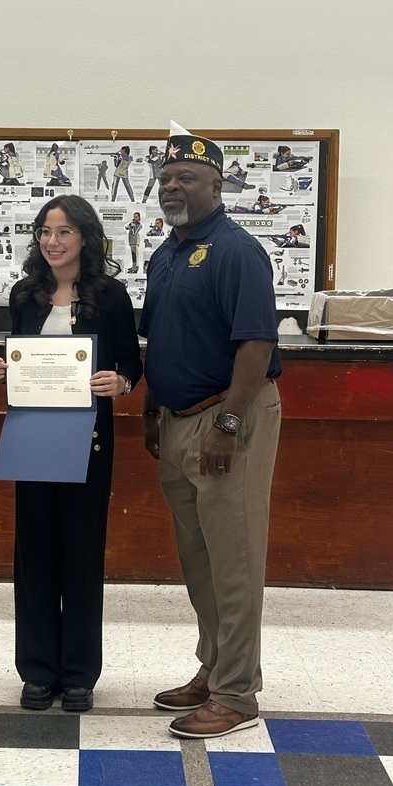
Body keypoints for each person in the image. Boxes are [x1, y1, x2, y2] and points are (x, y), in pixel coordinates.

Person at [139, 130, 282, 739]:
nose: (173, 186)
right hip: (176, 419)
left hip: (228, 418)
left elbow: (256, 341)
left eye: (187, 178)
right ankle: (214, 666)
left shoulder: (235, 250)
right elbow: (162, 341)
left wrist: (227, 423)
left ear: (217, 186)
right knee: (199, 559)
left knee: (234, 561)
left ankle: (237, 694)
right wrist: (152, 409)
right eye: (167, 177)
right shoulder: (166, 254)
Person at [0, 194, 142, 713]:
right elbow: (19, 359)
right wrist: (3, 372)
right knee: (32, 555)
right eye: (45, 232)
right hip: (32, 439)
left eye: (64, 232)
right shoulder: (24, 295)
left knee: (81, 553)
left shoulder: (111, 295)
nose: (52, 242)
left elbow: (132, 367)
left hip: (88, 443)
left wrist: (118, 381)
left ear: (85, 238)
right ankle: (36, 672)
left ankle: (78, 674)